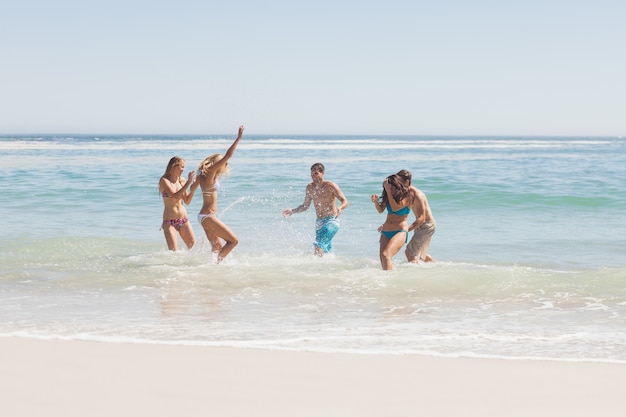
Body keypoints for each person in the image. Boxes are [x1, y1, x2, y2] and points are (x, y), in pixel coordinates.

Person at [190, 125, 244, 263]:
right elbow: (228, 155)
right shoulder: (210, 173)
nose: (224, 164)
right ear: (215, 163)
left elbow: (190, 192)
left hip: (204, 216)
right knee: (233, 241)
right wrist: (238, 138)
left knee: (217, 247)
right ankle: (216, 266)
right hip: (207, 216)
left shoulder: (203, 175)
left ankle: (212, 273)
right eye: (222, 163)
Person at [282, 163, 349, 256]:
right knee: (326, 251)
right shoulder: (310, 187)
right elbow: (305, 206)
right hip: (319, 223)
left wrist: (340, 208)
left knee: (318, 244)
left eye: (316, 173)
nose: (313, 177)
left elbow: (345, 201)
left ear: (323, 173)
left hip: (331, 221)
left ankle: (316, 267)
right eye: (312, 174)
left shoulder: (331, 186)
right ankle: (329, 267)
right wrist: (292, 211)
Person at [371, 174, 411, 270]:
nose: (390, 189)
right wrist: (376, 202)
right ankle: (386, 282)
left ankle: (389, 280)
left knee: (386, 255)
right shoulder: (388, 196)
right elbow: (380, 210)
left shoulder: (407, 196)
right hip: (386, 231)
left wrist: (388, 191)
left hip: (400, 231)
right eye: (388, 187)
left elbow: (395, 208)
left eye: (391, 187)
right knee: (383, 260)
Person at [397, 169, 436, 263]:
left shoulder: (418, 195)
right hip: (422, 225)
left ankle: (415, 274)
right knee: (421, 255)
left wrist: (406, 230)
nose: (397, 185)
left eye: (399, 183)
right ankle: (436, 267)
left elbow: (422, 218)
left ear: (407, 182)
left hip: (426, 226)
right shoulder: (407, 194)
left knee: (409, 253)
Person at [159, 156, 196, 251]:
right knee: (174, 253)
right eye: (182, 167)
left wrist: (193, 189)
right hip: (169, 222)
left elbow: (187, 201)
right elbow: (174, 195)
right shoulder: (164, 181)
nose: (183, 169)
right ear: (174, 166)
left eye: (184, 167)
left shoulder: (182, 181)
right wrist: (188, 182)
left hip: (184, 220)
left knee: (194, 249)